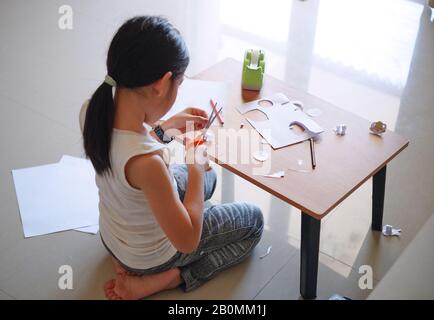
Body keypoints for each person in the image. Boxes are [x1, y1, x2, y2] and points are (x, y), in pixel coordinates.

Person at [79, 16, 264, 300]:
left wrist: (164, 129)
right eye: (179, 83)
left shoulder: (92, 111)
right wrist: (196, 167)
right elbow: (188, 240)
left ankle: (131, 261)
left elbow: (125, 150)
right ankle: (168, 279)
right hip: (150, 256)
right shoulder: (148, 164)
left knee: (209, 180)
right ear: (162, 83)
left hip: (114, 239)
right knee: (254, 221)